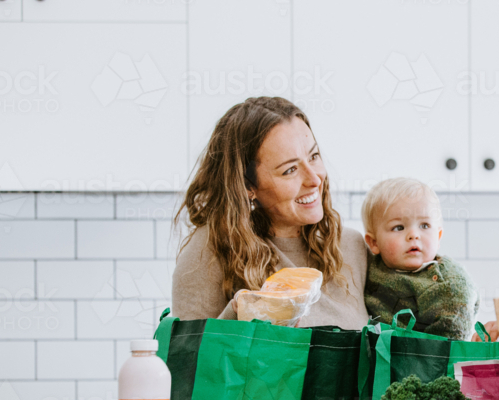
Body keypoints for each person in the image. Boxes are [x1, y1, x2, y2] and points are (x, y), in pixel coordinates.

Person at [171, 96, 368, 329]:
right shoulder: (210, 251)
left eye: (313, 156)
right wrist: (241, 315)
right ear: (247, 186)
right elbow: (188, 358)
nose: (315, 179)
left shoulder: (351, 246)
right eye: (290, 170)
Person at [361, 177, 479, 340]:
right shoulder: (367, 265)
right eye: (399, 227)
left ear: (438, 237)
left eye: (424, 225)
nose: (414, 235)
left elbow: (449, 344)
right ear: (374, 243)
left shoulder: (448, 284)